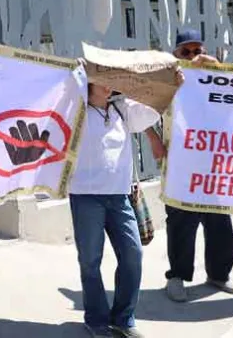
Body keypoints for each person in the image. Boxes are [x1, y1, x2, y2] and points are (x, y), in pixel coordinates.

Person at [144, 29, 233, 303]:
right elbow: (140, 107)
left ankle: (219, 275)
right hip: (179, 166)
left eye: (197, 51)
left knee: (219, 222)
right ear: (175, 54)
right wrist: (153, 139)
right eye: (185, 52)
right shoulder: (168, 80)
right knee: (180, 223)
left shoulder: (216, 79)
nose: (192, 57)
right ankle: (177, 276)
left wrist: (216, 67)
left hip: (212, 167)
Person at [71, 81, 167, 338]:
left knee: (133, 255)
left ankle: (124, 319)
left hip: (120, 197)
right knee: (90, 261)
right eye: (103, 79)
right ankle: (97, 320)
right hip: (86, 197)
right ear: (89, 83)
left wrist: (172, 83)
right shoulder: (75, 110)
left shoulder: (123, 110)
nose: (109, 84)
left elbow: (153, 109)